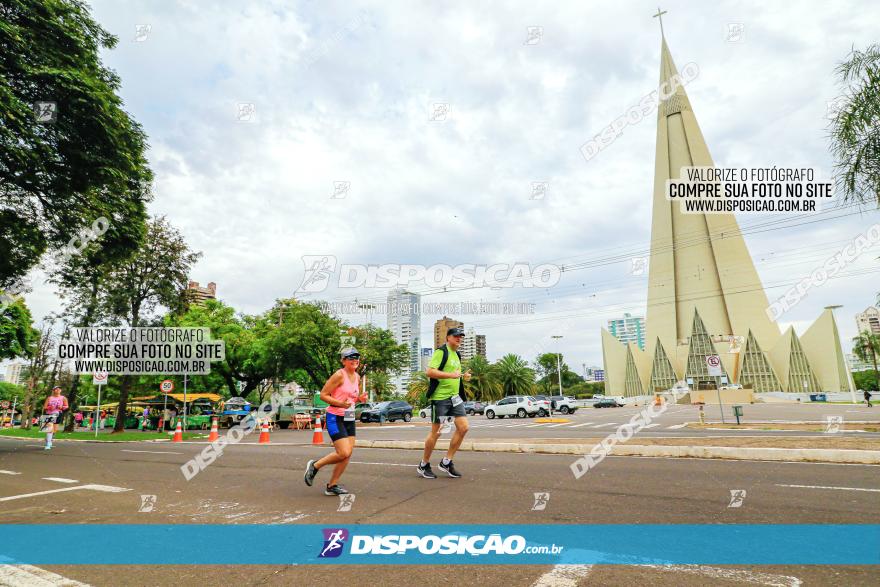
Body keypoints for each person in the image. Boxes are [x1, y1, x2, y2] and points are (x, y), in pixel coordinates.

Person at [304, 347, 366, 495]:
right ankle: (315, 465)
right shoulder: (339, 375)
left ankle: (332, 486)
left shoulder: (357, 377)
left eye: (356, 357)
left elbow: (350, 397)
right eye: (350, 358)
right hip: (335, 416)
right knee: (343, 452)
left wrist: (359, 399)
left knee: (348, 454)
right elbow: (324, 395)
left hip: (349, 415)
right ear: (343, 360)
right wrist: (340, 404)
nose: (354, 360)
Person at [418, 327, 472, 479]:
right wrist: (451, 375)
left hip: (455, 398)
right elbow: (429, 372)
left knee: (463, 427)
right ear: (448, 337)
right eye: (456, 336)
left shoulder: (457, 355)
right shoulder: (441, 352)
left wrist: (463, 376)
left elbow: (455, 375)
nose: (459, 338)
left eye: (461, 336)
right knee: (438, 432)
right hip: (441, 399)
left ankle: (446, 462)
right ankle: (424, 465)